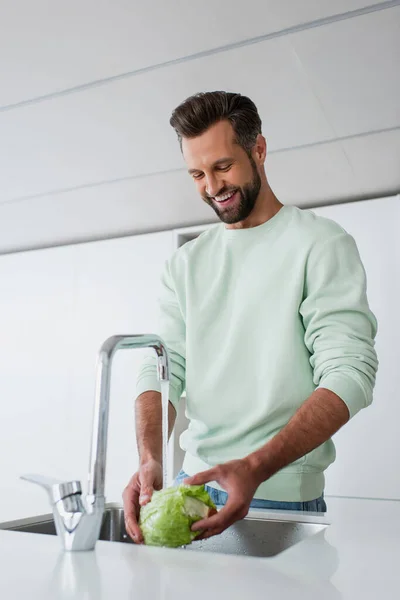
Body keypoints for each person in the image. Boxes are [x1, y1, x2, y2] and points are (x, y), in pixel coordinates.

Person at [123, 91, 378, 543]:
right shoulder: (185, 265)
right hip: (191, 491)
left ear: (258, 150)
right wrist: (150, 457)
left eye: (223, 167)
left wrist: (256, 467)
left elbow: (350, 373)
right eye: (197, 174)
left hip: (279, 497)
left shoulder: (319, 244)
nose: (212, 187)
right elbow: (162, 369)